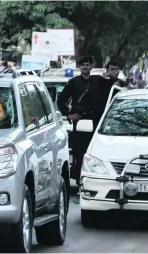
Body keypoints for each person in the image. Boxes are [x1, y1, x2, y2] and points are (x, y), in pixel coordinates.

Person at [57, 56, 99, 187]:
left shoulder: (97, 81)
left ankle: (93, 179)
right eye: (83, 65)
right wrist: (69, 115)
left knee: (94, 153)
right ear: (79, 67)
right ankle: (80, 180)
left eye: (88, 64)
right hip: (80, 122)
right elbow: (61, 100)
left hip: (96, 122)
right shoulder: (74, 83)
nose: (85, 67)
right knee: (80, 152)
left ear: (91, 67)